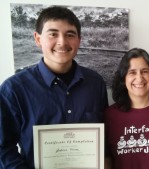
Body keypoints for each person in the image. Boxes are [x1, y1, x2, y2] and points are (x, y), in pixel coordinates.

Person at [0, 6, 108, 168]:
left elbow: (104, 134)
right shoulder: (14, 89)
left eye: (70, 35)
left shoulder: (95, 83)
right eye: (53, 34)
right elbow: (3, 148)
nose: (62, 42)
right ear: (38, 39)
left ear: (79, 40)